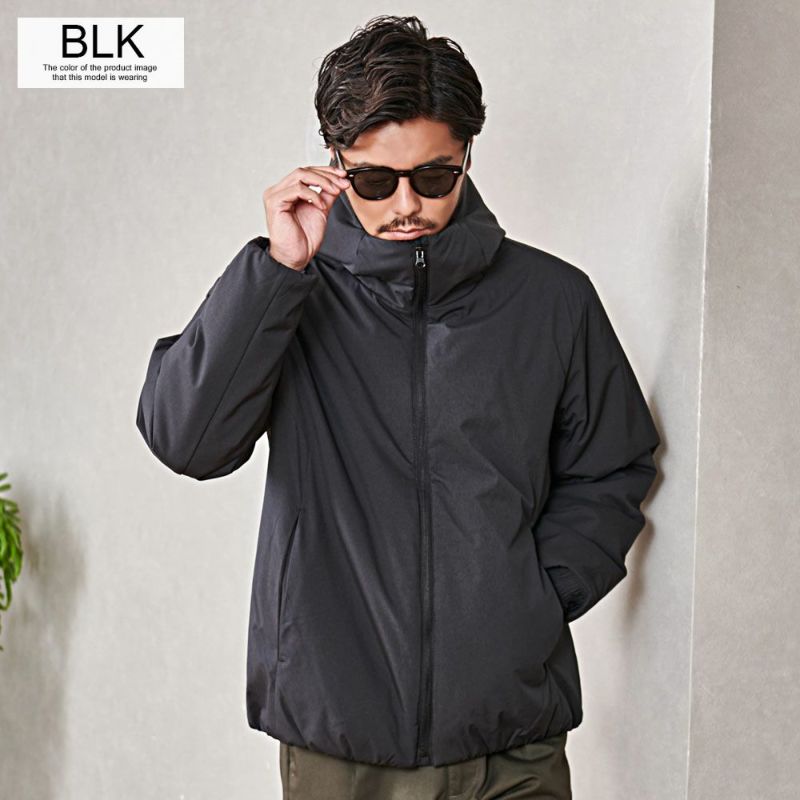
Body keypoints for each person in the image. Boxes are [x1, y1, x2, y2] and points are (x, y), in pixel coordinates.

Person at [135, 14, 661, 800]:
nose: (406, 203)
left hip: (511, 738)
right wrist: (276, 270)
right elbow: (187, 440)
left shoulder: (552, 301)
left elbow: (612, 466)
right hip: (340, 744)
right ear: (335, 163)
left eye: (435, 176)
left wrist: (534, 598)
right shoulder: (291, 295)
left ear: (467, 156)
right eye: (376, 180)